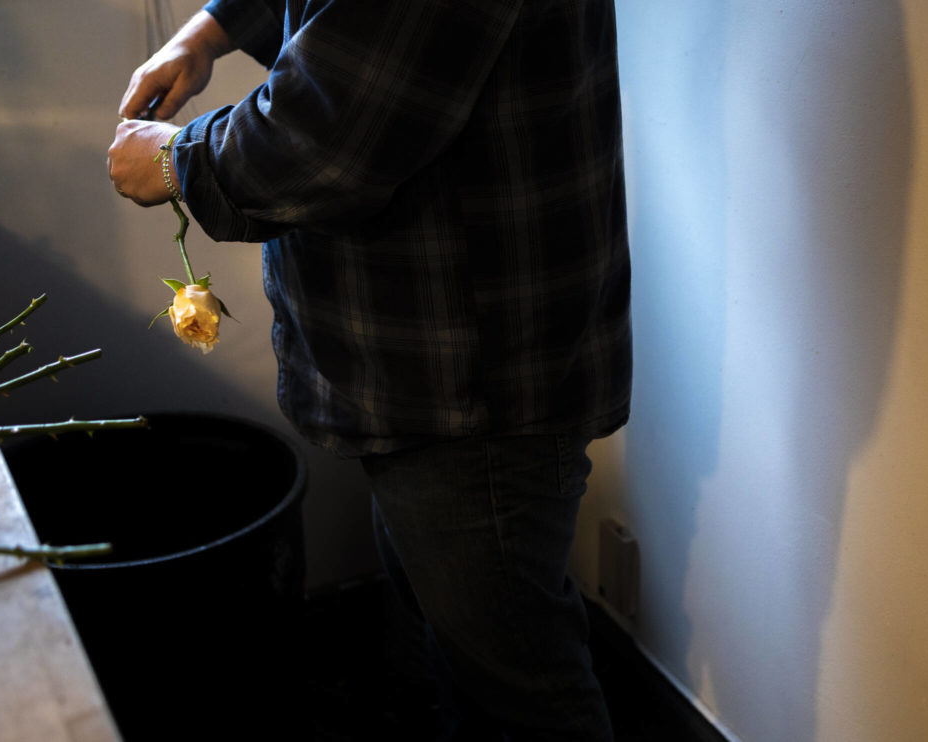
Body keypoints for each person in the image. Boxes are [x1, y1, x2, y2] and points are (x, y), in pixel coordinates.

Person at [108, 1, 631, 739]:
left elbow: (326, 139)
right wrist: (209, 31)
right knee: (468, 645)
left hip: (474, 381)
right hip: (432, 372)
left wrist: (174, 159)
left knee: (520, 688)